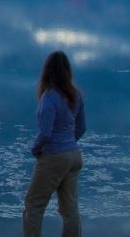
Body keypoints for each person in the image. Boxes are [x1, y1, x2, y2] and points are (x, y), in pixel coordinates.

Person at [23, 50, 86, 237]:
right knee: (70, 211)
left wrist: (35, 150)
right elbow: (82, 128)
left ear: (47, 71)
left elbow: (45, 133)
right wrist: (68, 144)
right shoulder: (76, 95)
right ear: (67, 71)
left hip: (54, 156)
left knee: (33, 205)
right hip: (74, 156)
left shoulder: (49, 97)